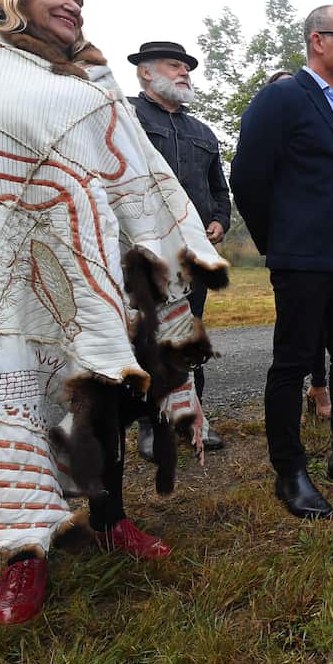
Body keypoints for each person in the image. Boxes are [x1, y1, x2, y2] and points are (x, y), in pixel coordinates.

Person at [0, 0, 228, 624]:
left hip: (86, 261)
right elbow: (11, 136)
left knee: (98, 396)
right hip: (4, 267)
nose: (74, 3)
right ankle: (26, 558)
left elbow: (128, 164)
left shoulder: (89, 76)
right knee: (17, 405)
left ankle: (107, 519)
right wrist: (88, 98)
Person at [230, 5, 333, 520]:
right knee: (294, 360)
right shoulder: (282, 98)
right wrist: (277, 243)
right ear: (317, 40)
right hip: (302, 257)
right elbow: (248, 177)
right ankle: (290, 472)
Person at [128, 40, 230, 457]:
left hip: (192, 254)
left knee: (190, 335)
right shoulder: (126, 119)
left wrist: (220, 219)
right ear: (145, 72)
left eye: (187, 67)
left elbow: (219, 190)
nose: (184, 72)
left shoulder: (202, 132)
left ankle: (192, 420)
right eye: (174, 66)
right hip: (143, 251)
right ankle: (151, 426)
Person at [263, 67, 333, 422]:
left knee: (323, 325)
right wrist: (270, 240)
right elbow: (253, 183)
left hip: (329, 244)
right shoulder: (271, 132)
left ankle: (319, 387)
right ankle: (290, 404)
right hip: (290, 245)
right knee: (294, 330)